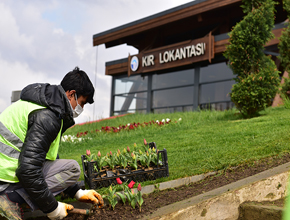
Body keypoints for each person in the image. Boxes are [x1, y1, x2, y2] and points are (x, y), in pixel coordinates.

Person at [0, 67, 104, 220]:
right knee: (72, 169)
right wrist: (52, 208)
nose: (80, 109)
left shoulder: (45, 104)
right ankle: (10, 199)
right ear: (71, 94)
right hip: (5, 178)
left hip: (6, 171)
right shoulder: (47, 116)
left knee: (66, 168)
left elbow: (45, 155)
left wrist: (77, 192)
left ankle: (12, 197)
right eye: (81, 103)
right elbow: (28, 170)